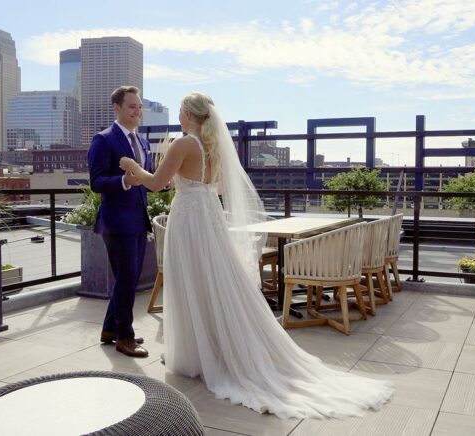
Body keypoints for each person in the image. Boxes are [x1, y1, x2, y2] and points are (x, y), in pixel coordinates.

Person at [119, 92, 393, 419]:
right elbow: (215, 188)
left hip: (189, 222)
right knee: (214, 282)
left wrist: (132, 166)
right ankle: (209, 351)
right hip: (209, 217)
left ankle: (194, 355)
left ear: (189, 115)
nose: (178, 116)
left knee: (190, 283)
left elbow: (156, 184)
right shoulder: (213, 148)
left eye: (180, 111)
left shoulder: (183, 144)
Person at [87, 86, 150, 358]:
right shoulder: (103, 140)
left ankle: (110, 328)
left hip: (138, 219)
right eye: (132, 107)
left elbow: (144, 180)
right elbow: (96, 182)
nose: (137, 111)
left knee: (129, 279)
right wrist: (124, 181)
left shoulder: (143, 141)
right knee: (126, 280)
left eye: (139, 106)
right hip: (116, 223)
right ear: (117, 108)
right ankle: (125, 337)